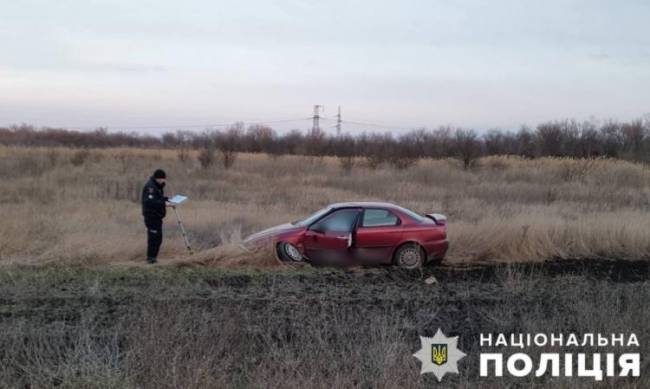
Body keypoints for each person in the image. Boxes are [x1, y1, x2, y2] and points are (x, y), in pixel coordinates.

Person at [141, 169, 172, 264]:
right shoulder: (150, 187)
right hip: (151, 216)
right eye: (163, 179)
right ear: (158, 178)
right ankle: (150, 259)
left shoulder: (157, 186)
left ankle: (153, 257)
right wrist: (164, 204)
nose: (164, 181)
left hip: (157, 217)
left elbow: (157, 198)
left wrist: (167, 199)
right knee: (153, 238)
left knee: (158, 238)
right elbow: (150, 201)